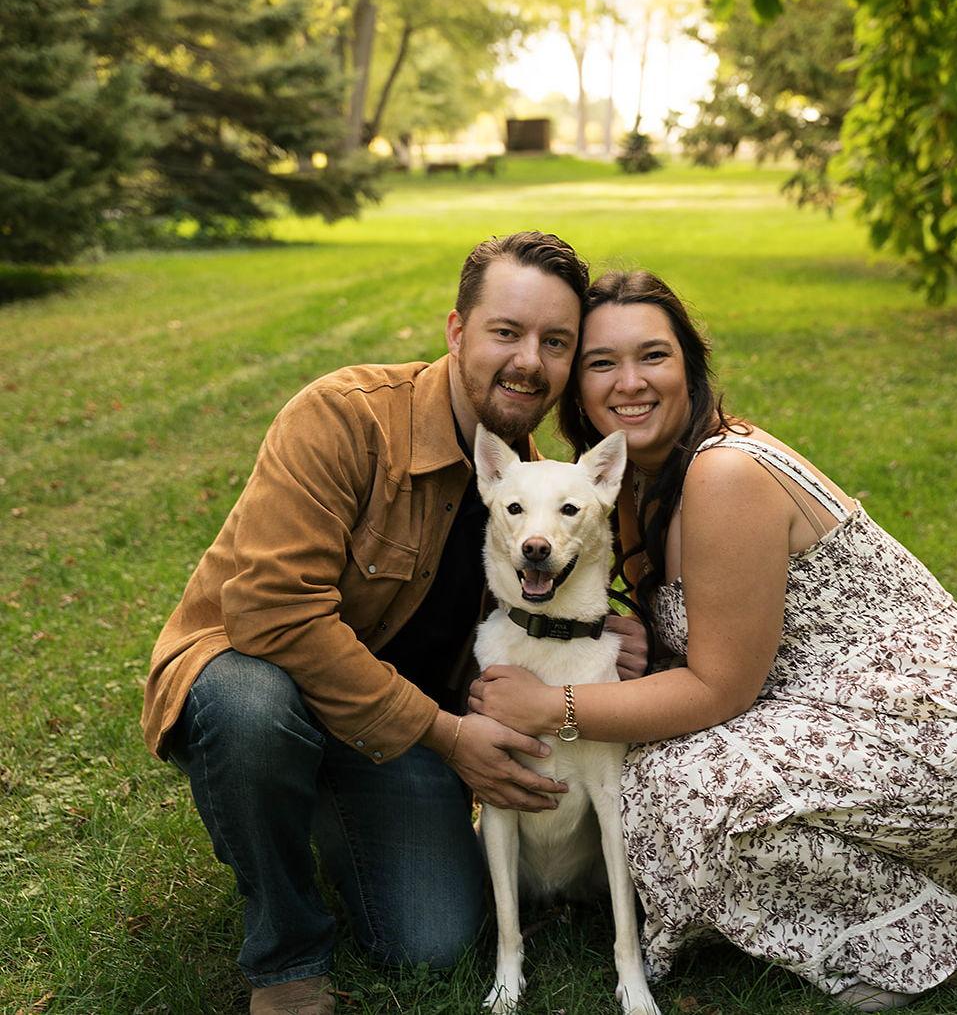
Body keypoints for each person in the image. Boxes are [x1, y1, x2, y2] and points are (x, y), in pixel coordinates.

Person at [468, 270, 957, 1012]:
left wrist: (555, 704)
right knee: (644, 768)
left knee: (662, 789)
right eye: (601, 363)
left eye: (653, 356)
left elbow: (718, 690)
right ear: (578, 388)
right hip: (830, 714)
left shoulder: (723, 472)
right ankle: (889, 881)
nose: (629, 382)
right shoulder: (634, 486)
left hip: (933, 729)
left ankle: (915, 937)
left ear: (690, 368)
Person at [140, 233, 650, 1015]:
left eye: (555, 342)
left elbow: (531, 597)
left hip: (383, 728)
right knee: (253, 707)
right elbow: (271, 611)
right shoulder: (343, 418)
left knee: (432, 939)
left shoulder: (527, 486)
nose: (528, 362)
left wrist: (598, 631)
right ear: (456, 331)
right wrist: (448, 738)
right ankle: (285, 960)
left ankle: (313, 798)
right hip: (256, 672)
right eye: (505, 332)